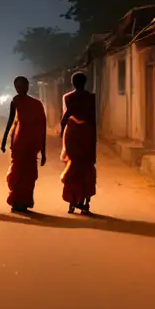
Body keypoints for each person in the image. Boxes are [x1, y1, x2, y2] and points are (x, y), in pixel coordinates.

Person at [1, 74, 48, 212]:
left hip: (31, 141)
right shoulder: (15, 101)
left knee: (29, 173)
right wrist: (4, 141)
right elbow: (10, 121)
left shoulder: (37, 104)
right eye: (17, 86)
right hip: (19, 141)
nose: (19, 89)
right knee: (18, 171)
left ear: (28, 86)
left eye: (22, 86)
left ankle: (25, 201)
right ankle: (16, 200)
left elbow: (42, 127)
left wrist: (43, 152)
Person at [59, 70, 98, 214]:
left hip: (73, 133)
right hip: (88, 133)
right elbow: (94, 118)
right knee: (86, 167)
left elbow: (65, 117)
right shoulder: (92, 98)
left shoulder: (68, 97)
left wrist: (62, 131)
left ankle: (72, 201)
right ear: (85, 82)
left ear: (72, 83)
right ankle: (86, 202)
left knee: (73, 165)